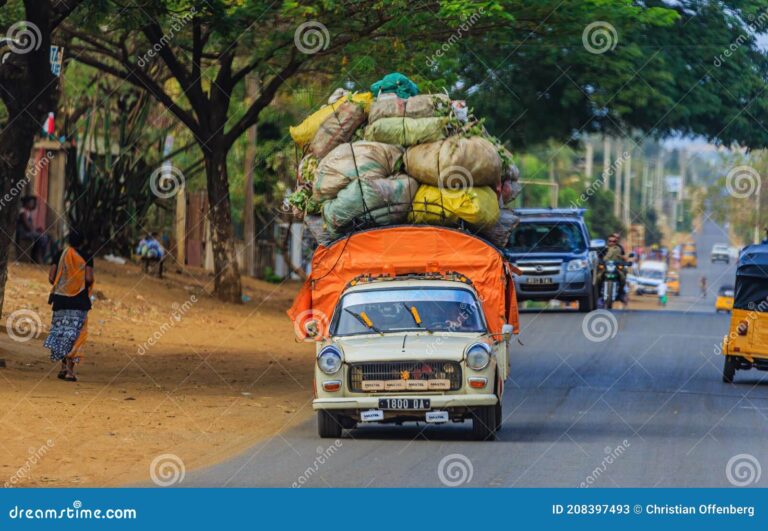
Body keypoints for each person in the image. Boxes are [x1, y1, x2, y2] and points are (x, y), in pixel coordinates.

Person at [44, 230, 93, 382]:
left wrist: (64, 284)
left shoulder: (59, 255)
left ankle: (63, 368)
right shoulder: (87, 256)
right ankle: (70, 372)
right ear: (83, 242)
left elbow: (51, 277)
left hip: (60, 300)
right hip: (79, 301)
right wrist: (78, 283)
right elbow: (89, 278)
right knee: (75, 335)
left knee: (62, 333)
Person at [16, 196, 50, 263]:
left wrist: (37, 230)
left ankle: (37, 255)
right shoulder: (22, 211)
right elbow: (27, 226)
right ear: (26, 203)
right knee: (43, 237)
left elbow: (30, 226)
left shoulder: (28, 212)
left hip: (28, 232)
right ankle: (37, 256)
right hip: (24, 233)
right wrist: (36, 231)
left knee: (46, 237)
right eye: (31, 202)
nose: (33, 204)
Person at [598, 234, 628, 303]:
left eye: (614, 241)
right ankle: (598, 295)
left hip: (616, 268)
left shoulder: (619, 248)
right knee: (597, 278)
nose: (612, 243)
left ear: (616, 242)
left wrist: (625, 260)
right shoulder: (603, 248)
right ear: (607, 241)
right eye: (610, 241)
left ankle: (621, 293)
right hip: (605, 268)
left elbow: (624, 257)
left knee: (623, 277)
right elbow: (598, 257)